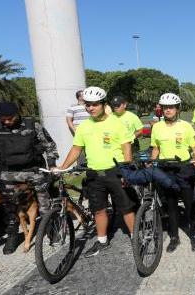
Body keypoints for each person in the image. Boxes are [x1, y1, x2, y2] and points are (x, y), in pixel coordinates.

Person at [55, 86, 136, 258]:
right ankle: (102, 240)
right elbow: (76, 149)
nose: (90, 108)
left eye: (94, 105)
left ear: (103, 104)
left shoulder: (117, 123)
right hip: (94, 174)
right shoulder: (83, 126)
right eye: (87, 105)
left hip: (115, 171)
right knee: (98, 210)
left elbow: (126, 148)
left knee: (125, 208)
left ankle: (136, 238)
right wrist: (62, 167)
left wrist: (126, 172)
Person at [0, 101, 59, 254]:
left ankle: (49, 229)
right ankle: (13, 235)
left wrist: (52, 165)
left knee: (44, 204)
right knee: (10, 208)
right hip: (8, 174)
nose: (7, 122)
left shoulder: (32, 125)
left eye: (10, 118)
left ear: (17, 114)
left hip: (34, 172)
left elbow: (49, 145)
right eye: (3, 119)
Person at [150, 93, 195, 252]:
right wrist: (153, 165)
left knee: (189, 205)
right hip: (166, 170)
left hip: (183, 169)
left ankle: (194, 234)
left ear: (177, 109)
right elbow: (156, 149)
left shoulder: (186, 126)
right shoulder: (157, 127)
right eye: (165, 107)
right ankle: (174, 237)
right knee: (171, 206)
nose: (168, 110)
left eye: (171, 107)